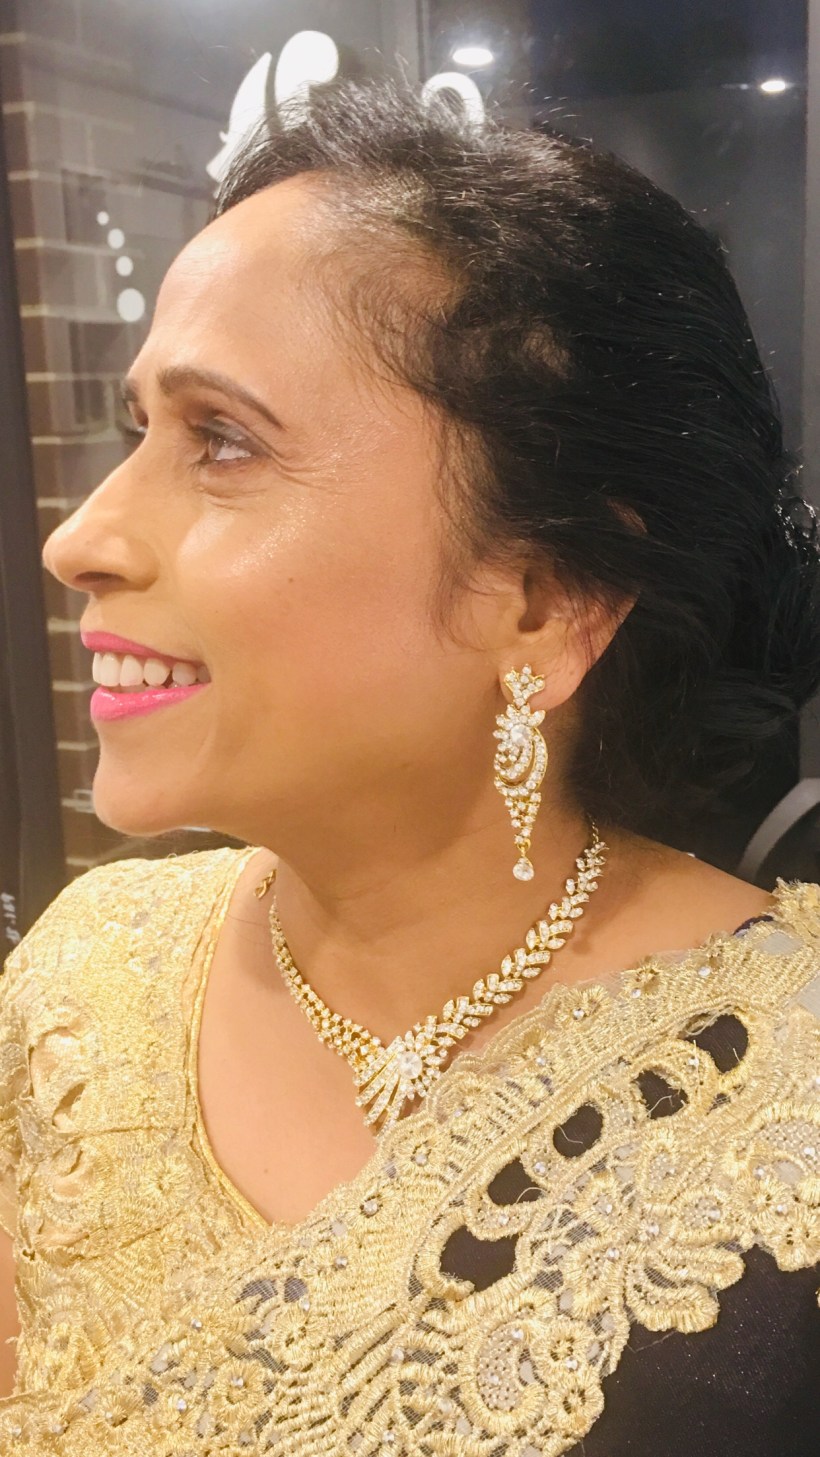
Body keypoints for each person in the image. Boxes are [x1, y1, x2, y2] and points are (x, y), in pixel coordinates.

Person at [0, 77, 818, 1454]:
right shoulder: (78, 985)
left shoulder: (787, 1091)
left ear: (546, 602)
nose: (77, 539)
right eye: (139, 430)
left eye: (221, 441)